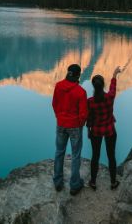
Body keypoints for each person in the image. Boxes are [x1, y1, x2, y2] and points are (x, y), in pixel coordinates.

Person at [52, 63, 88, 195]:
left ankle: (57, 182)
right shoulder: (80, 92)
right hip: (74, 127)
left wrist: (59, 117)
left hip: (61, 124)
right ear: (78, 75)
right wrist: (79, 124)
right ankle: (74, 185)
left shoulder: (58, 86)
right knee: (75, 155)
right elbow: (83, 114)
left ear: (68, 73)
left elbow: (54, 104)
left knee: (59, 152)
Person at [86, 66, 121, 190]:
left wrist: (88, 130)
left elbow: (89, 119)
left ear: (94, 87)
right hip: (110, 130)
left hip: (96, 131)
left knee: (95, 156)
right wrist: (114, 74)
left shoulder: (90, 102)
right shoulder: (110, 97)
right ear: (103, 85)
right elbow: (113, 88)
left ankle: (93, 182)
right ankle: (113, 182)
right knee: (111, 156)